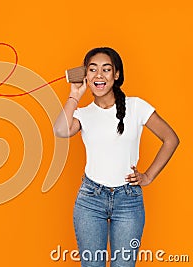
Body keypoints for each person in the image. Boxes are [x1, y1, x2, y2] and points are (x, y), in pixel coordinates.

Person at [54, 47, 179, 267]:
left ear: (117, 74)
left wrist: (148, 176)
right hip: (90, 199)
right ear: (85, 76)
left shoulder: (136, 106)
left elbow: (170, 138)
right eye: (92, 70)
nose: (99, 75)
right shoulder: (83, 114)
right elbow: (61, 130)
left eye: (106, 69)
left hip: (128, 200)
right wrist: (74, 94)